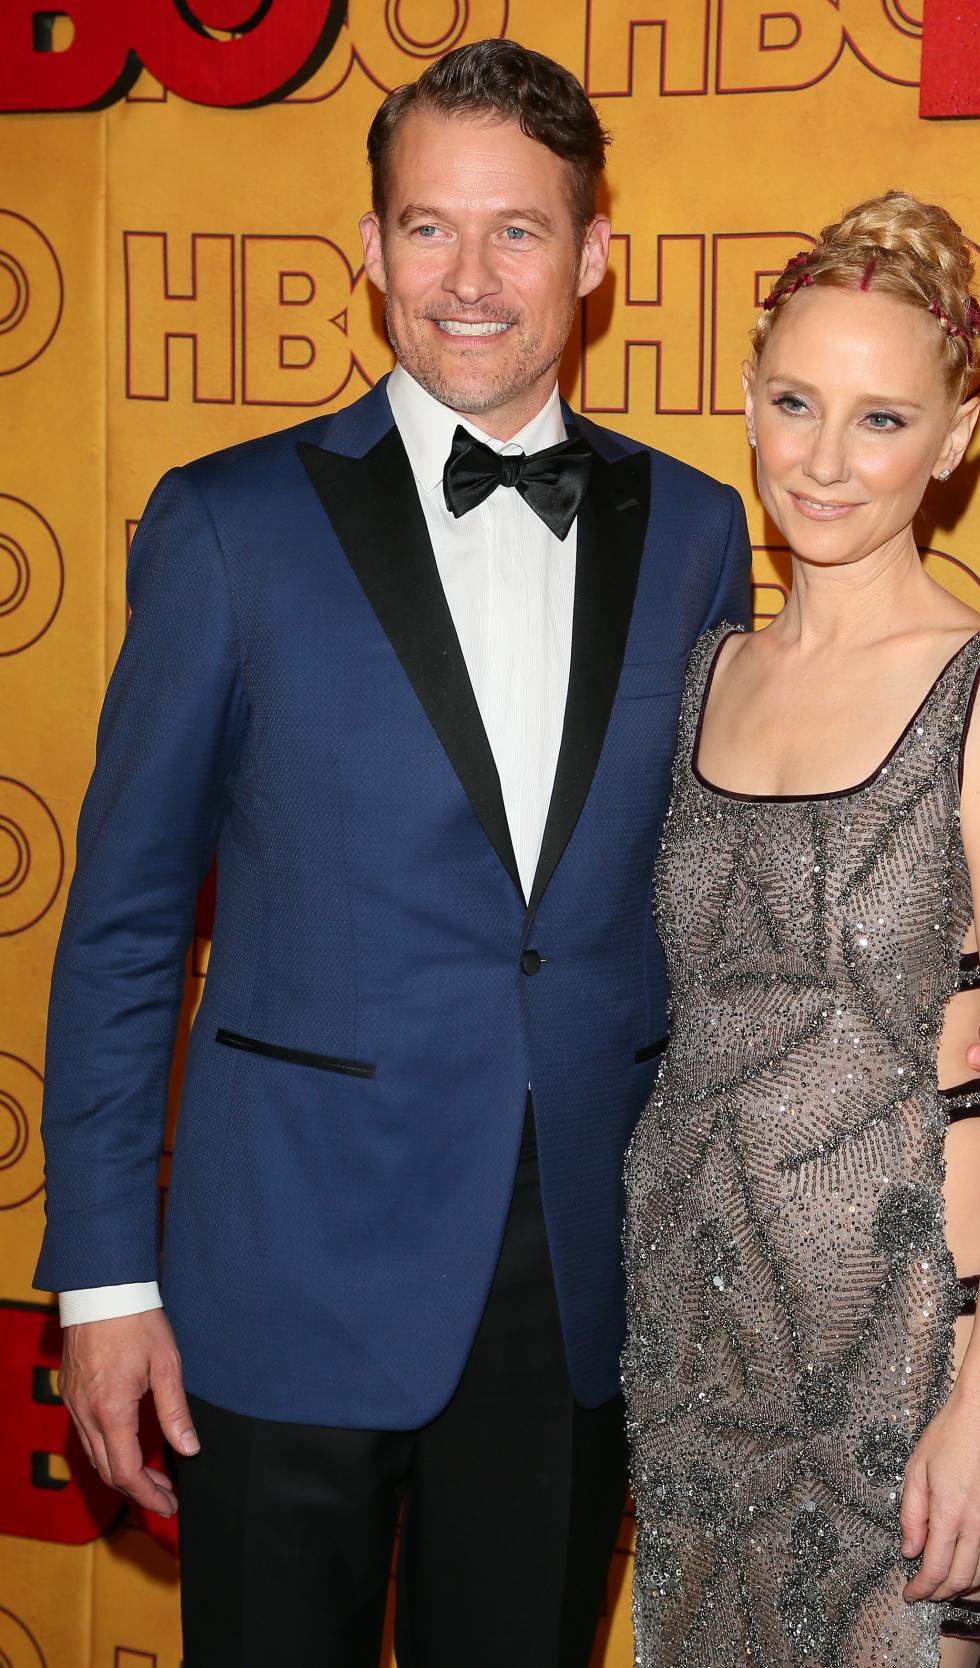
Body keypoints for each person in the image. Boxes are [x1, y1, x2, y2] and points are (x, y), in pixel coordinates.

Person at [33, 39, 750, 1668]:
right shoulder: (226, 523)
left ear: (594, 256)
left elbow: (715, 889)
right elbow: (129, 927)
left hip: (574, 1278)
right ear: (366, 254)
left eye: (518, 230)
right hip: (281, 1266)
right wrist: (100, 1287)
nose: (472, 278)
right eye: (428, 227)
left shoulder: (699, 527)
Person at [622, 192, 980, 1666]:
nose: (824, 460)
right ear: (747, 402)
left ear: (954, 440)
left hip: (901, 1362)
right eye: (794, 403)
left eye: (881, 418)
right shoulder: (705, 674)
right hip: (695, 1351)